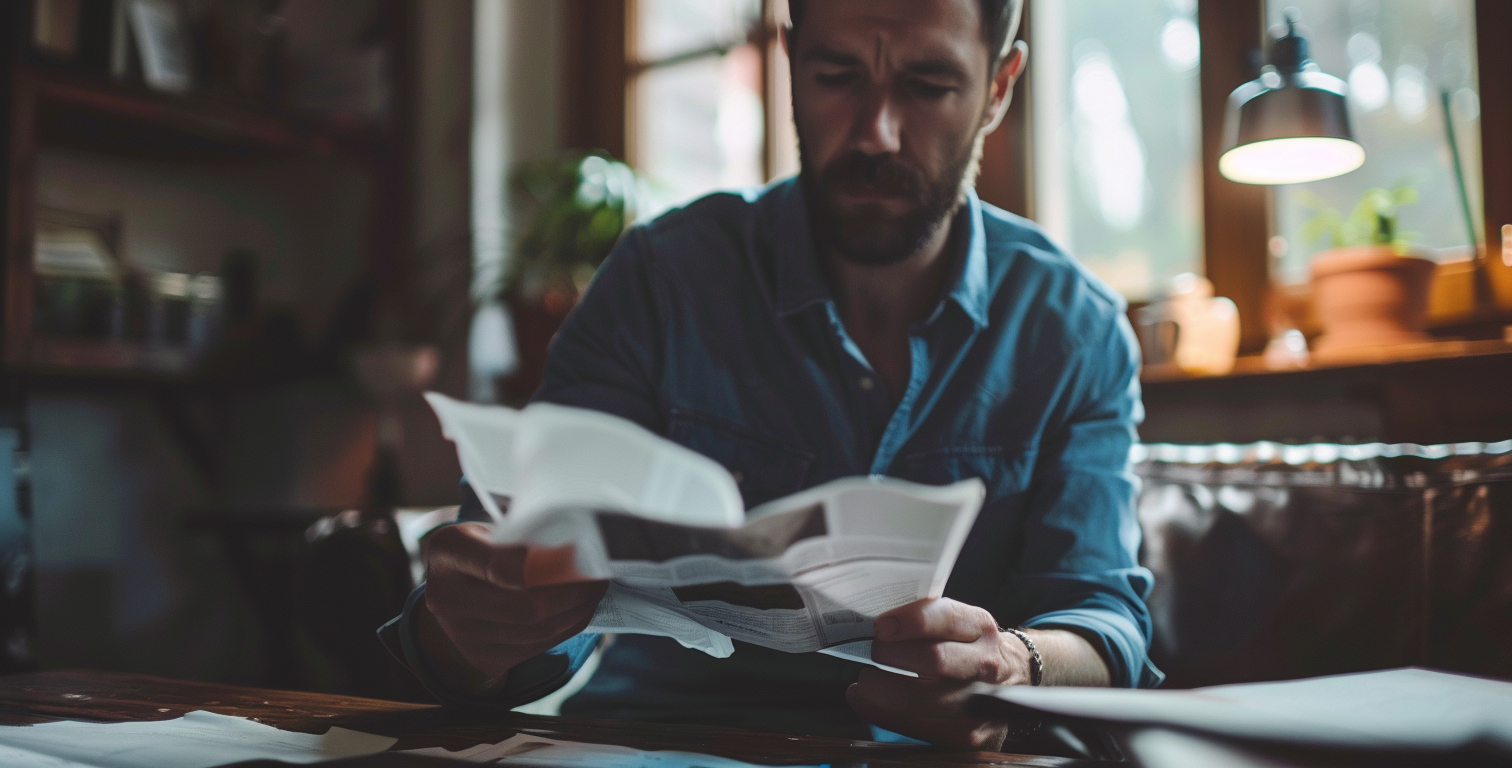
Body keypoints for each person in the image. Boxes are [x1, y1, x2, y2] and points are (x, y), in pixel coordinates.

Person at [380, 0, 1160, 749]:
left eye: (928, 85)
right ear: (789, 64)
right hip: (658, 743)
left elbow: (1104, 621)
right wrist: (473, 633)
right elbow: (498, 598)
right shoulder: (662, 282)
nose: (877, 133)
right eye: (836, 75)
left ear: (998, 87)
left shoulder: (1076, 330)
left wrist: (1012, 667)